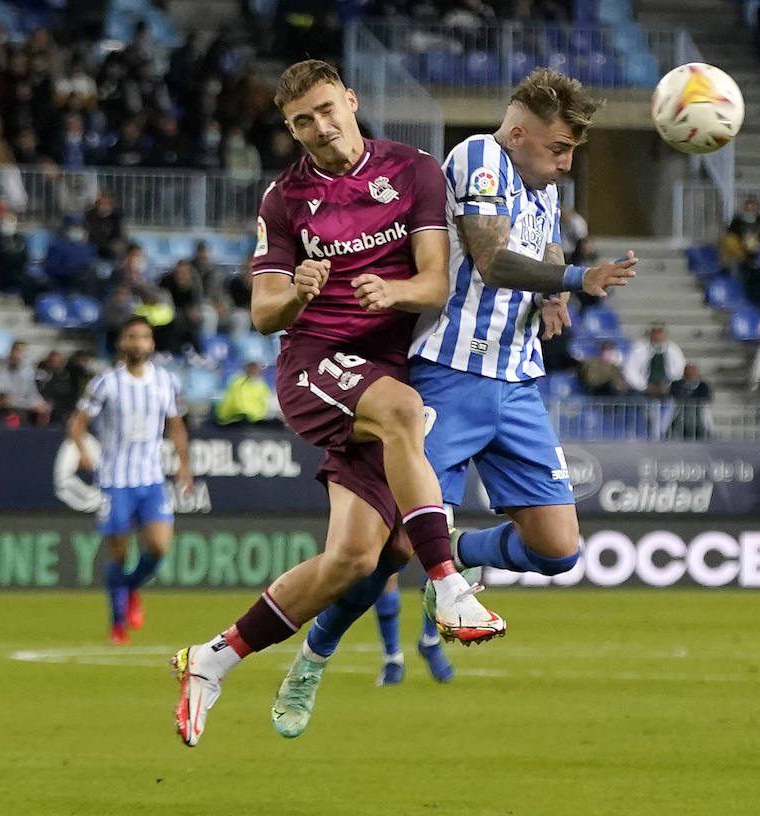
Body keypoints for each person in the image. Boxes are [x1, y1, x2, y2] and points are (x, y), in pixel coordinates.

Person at [262, 66, 636, 739]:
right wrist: (576, 278)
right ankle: (312, 658)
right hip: (445, 377)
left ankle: (455, 552)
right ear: (519, 134)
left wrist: (550, 287)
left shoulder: (540, 183)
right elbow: (491, 260)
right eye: (558, 148)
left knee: (558, 550)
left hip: (517, 384)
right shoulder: (477, 158)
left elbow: (537, 241)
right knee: (382, 553)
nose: (566, 162)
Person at [171, 60, 519, 747]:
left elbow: (435, 283)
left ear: (351, 101)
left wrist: (393, 294)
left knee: (358, 559)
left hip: (385, 364)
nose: (319, 128)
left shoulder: (414, 170)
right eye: (302, 120)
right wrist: (298, 291)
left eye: (327, 109)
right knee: (402, 414)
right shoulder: (285, 200)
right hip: (313, 366)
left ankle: (211, 659)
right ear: (291, 129)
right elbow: (264, 310)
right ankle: (449, 583)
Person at [67, 317, 193, 644]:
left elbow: (176, 426)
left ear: (151, 344)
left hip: (151, 479)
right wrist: (82, 450)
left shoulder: (165, 381)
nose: (138, 342)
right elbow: (77, 424)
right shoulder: (106, 383)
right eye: (132, 336)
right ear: (122, 343)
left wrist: (183, 466)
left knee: (159, 547)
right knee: (119, 554)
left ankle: (131, 587)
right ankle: (117, 622)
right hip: (115, 480)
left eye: (144, 337)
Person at [624, 323, 685, 396]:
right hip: (642, 389)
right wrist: (644, 387)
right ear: (650, 336)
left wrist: (667, 386)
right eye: (655, 335)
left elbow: (679, 369)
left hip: (668, 388)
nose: (658, 339)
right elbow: (630, 370)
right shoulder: (638, 349)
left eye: (660, 336)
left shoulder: (674, 350)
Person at [213, 360, 279, 425]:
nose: (254, 372)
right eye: (252, 369)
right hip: (232, 417)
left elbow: (264, 406)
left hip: (251, 419)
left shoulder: (262, 386)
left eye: (256, 370)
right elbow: (238, 405)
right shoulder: (238, 383)